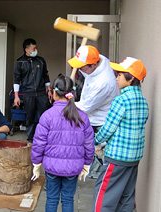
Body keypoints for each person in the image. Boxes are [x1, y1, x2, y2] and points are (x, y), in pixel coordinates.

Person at [92, 57, 149, 212]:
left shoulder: (120, 101)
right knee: (126, 198)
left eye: (119, 75)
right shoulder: (143, 101)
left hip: (116, 158)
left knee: (104, 196)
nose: (116, 78)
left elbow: (107, 130)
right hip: (134, 158)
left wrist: (94, 140)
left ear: (130, 79)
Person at [31, 74, 95, 212]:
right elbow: (89, 143)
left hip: (52, 166)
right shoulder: (82, 116)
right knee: (68, 200)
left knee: (52, 199)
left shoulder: (47, 116)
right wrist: (87, 163)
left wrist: (36, 163)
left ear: (54, 92)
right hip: (73, 167)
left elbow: (38, 143)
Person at [67, 45, 120, 179]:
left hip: (99, 122)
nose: (79, 69)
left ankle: (98, 178)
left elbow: (85, 107)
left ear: (94, 65)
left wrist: (66, 102)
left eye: (82, 66)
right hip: (92, 113)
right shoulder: (101, 60)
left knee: (97, 156)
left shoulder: (104, 82)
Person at [13, 38, 52, 142]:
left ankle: (45, 137)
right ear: (27, 50)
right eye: (34, 48)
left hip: (41, 93)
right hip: (28, 94)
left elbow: (45, 76)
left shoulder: (41, 61)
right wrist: (16, 96)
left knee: (44, 116)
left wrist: (49, 90)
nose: (36, 50)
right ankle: (30, 138)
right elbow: (17, 79)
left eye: (36, 48)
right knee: (29, 117)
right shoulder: (20, 62)